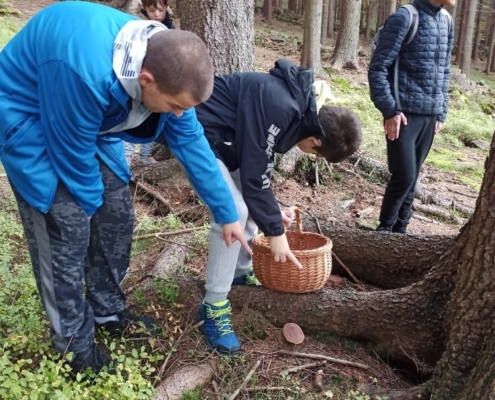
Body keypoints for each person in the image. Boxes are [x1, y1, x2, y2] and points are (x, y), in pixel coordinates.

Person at [0, 1, 250, 375]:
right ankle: (74, 348)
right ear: (146, 80)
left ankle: (108, 312)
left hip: (91, 117)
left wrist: (227, 213)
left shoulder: (172, 67)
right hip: (30, 113)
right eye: (174, 106)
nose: (179, 114)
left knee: (116, 213)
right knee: (65, 228)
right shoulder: (85, 71)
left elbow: (192, 142)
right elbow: (73, 155)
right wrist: (83, 212)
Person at [193, 59, 363, 355]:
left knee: (249, 203)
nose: (312, 156)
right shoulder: (281, 107)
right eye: (317, 154)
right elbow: (255, 175)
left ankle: (238, 273)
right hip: (196, 135)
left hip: (224, 143)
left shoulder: (294, 110)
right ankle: (213, 307)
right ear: (315, 140)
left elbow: (260, 170)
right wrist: (275, 233)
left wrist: (274, 209)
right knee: (232, 211)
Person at [368, 0, 454, 234]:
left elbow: (445, 69)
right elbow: (378, 68)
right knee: (404, 176)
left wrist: (441, 111)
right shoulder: (405, 17)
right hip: (402, 115)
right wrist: (390, 110)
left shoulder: (446, 21)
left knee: (412, 178)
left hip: (430, 115)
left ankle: (401, 232)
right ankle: (384, 232)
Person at [123, 0, 176, 167]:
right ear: (143, 7)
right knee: (132, 120)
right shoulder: (135, 25)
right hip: (136, 83)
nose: (157, 14)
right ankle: (125, 157)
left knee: (154, 120)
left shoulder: (170, 27)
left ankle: (144, 156)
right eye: (152, 10)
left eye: (161, 10)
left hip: (161, 84)